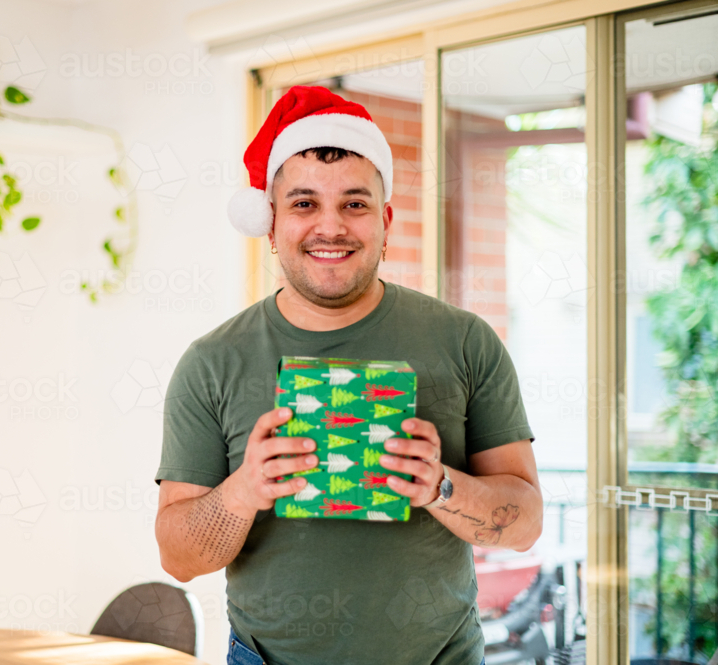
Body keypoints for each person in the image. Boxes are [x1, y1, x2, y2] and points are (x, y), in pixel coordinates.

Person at [154, 85, 541, 665]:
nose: (330, 227)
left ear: (385, 220)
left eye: (354, 204)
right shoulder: (212, 362)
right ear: (272, 223)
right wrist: (246, 489)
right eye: (304, 203)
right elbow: (179, 559)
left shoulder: (465, 342)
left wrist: (439, 486)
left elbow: (525, 525)